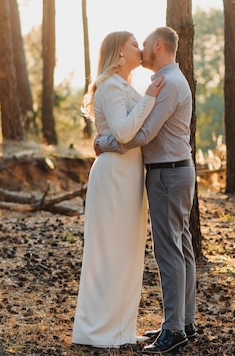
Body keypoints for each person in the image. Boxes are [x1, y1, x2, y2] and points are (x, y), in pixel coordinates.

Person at [94, 26, 197, 354]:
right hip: (176, 170)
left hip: (167, 174)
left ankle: (174, 329)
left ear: (158, 45)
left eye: (144, 45)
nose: (141, 50)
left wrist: (104, 142)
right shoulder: (169, 80)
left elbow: (141, 135)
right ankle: (184, 322)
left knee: (169, 251)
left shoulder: (166, 83)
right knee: (182, 248)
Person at [72, 31, 166, 348]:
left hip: (129, 177)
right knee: (110, 254)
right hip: (113, 178)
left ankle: (122, 331)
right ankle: (98, 332)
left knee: (127, 253)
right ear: (119, 52)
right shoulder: (110, 85)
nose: (140, 49)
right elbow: (125, 132)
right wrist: (151, 96)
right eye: (134, 45)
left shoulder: (126, 86)